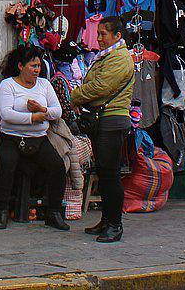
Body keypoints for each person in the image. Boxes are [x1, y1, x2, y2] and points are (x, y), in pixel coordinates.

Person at [69, 17, 135, 242]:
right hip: (103, 120)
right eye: (98, 34)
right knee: (105, 173)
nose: (99, 38)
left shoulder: (120, 58)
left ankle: (115, 225)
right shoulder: (106, 56)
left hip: (113, 120)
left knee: (111, 174)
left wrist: (74, 96)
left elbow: (100, 87)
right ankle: (106, 220)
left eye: (103, 34)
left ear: (117, 36)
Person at [0, 47, 69, 231]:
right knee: (6, 164)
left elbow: (57, 111)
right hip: (12, 138)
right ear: (20, 66)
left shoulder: (44, 84)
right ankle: (2, 211)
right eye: (33, 66)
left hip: (39, 139)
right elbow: (6, 114)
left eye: (38, 66)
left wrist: (42, 110)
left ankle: (54, 213)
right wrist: (33, 118)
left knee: (58, 166)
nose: (37, 70)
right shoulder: (8, 85)